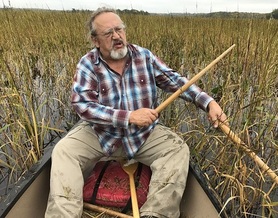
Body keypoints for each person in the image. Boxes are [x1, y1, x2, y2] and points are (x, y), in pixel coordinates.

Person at [45, 7, 227, 218]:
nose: (116, 36)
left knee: (177, 150)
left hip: (143, 136)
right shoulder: (87, 64)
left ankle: (156, 214)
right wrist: (129, 117)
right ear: (95, 40)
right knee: (64, 151)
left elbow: (177, 82)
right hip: (102, 134)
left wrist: (209, 102)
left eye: (119, 29)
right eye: (108, 33)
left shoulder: (144, 56)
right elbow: (82, 104)